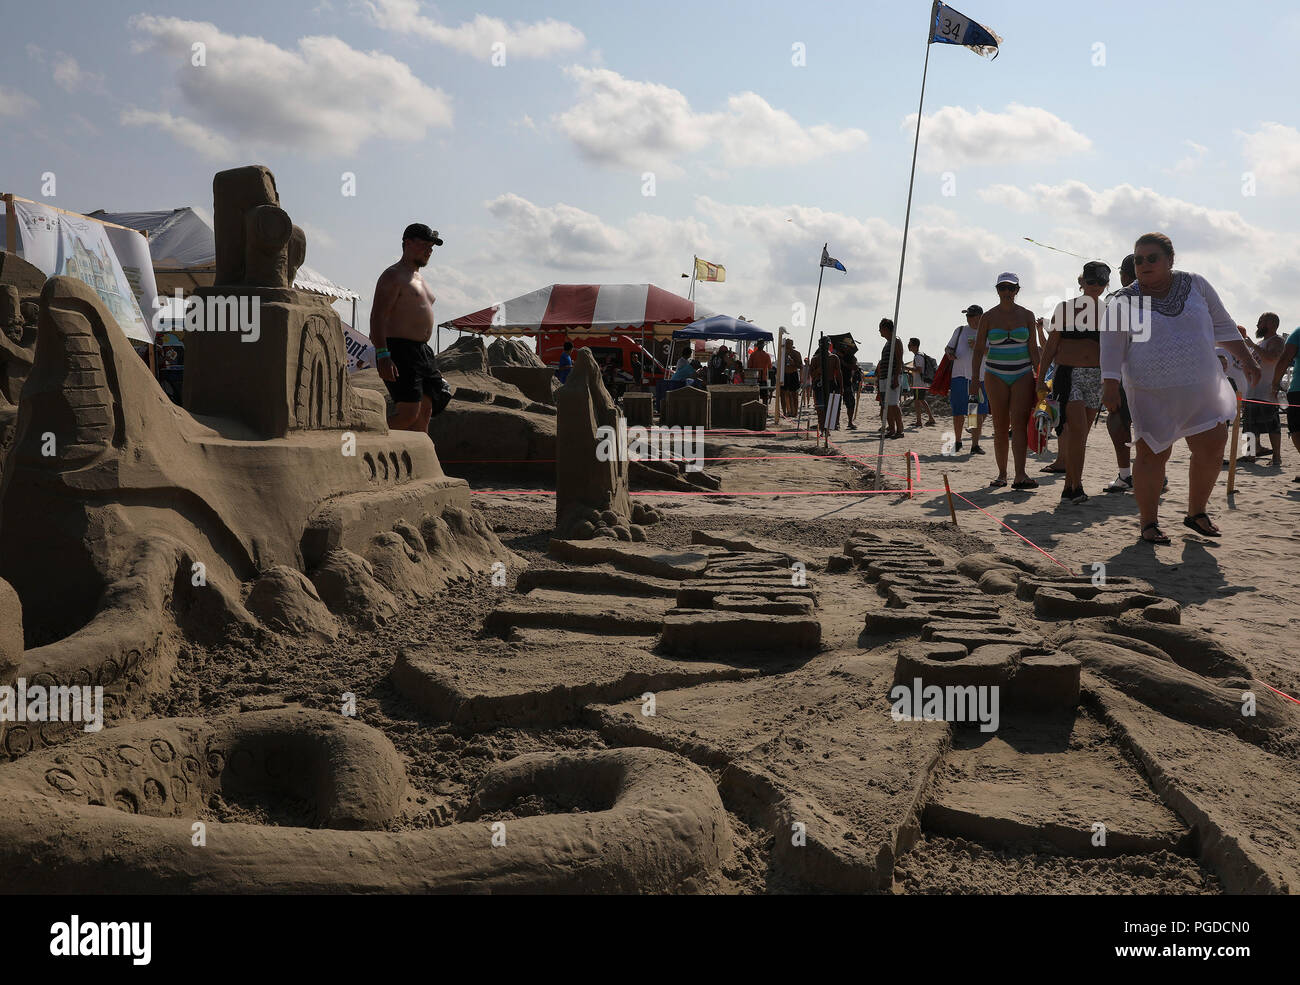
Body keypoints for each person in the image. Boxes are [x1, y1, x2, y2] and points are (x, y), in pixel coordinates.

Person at [1101, 232, 1260, 544]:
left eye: (1152, 258)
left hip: (1201, 387)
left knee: (1214, 442)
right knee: (1151, 453)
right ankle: (1149, 523)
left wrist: (1248, 359)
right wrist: (1109, 384)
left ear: (1170, 260)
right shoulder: (1123, 300)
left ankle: (1196, 513)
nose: (1143, 264)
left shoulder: (1196, 285)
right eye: (1138, 260)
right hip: (1150, 391)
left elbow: (1223, 325)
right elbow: (1111, 346)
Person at [1038, 260, 1109, 503]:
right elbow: (1050, 346)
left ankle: (1070, 486)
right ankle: (1076, 486)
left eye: (1102, 282)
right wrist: (1040, 377)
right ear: (1082, 282)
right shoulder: (1065, 308)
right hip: (1068, 375)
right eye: (1092, 281)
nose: (1096, 286)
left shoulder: (1108, 312)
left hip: (1096, 377)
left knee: (1081, 436)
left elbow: (1115, 350)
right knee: (1076, 431)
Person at [371, 222, 450, 435]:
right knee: (408, 413)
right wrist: (383, 354)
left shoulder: (420, 278)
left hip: (422, 352)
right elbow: (377, 317)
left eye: (432, 247)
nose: (429, 251)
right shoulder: (393, 275)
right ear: (407, 243)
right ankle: (366, 442)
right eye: (424, 245)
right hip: (399, 350)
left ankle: (415, 466)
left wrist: (428, 361)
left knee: (425, 412)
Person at [971, 273, 1040, 488]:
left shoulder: (1027, 315)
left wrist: (1040, 376)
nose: (1007, 292)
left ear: (1017, 290)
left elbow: (1033, 349)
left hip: (1022, 373)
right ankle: (1002, 474)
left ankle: (1020, 474)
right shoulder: (989, 317)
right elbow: (979, 349)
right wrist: (974, 379)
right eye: (1003, 288)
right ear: (997, 290)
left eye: (1011, 288)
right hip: (995, 374)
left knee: (1019, 425)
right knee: (1000, 427)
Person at [1102, 254, 1139, 492]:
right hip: (1156, 372)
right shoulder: (1164, 297)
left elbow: (1108, 340)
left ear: (1124, 275)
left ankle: (1126, 475)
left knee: (1117, 420)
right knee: (1152, 427)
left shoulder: (1118, 299)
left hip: (1129, 373)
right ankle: (1155, 472)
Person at [1238, 314, 1285, 468]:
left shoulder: (1277, 341)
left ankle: (1277, 457)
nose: (1257, 325)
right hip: (1252, 391)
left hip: (1267, 391)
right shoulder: (1260, 342)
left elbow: (1272, 358)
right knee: (1249, 425)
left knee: (1272, 425)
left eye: (1260, 322)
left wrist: (1253, 346)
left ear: (1271, 324)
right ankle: (1249, 455)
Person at [945, 306, 988, 455]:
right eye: (968, 316)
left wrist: (978, 347)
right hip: (959, 376)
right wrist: (950, 353)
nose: (969, 319)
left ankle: (975, 445)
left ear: (981, 317)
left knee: (975, 413)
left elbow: (992, 352)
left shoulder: (986, 332)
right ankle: (958, 441)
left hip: (978, 377)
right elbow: (949, 347)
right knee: (958, 411)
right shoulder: (960, 330)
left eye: (972, 316)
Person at [1272, 325, 1300, 482]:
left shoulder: (1298, 332)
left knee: (1296, 430)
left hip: (1299, 390)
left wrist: (1275, 384)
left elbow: (1284, 359)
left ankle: (1273, 456)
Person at [876, 319, 905, 439]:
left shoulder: (896, 341)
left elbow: (899, 360)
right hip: (884, 377)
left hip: (892, 376)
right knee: (886, 405)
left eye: (880, 328)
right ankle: (892, 429)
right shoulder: (888, 343)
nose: (879, 331)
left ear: (886, 328)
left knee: (893, 404)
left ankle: (900, 430)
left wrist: (896, 378)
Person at [808, 336, 842, 433]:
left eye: (827, 344)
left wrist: (841, 387)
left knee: (831, 407)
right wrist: (819, 369)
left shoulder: (834, 358)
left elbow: (839, 374)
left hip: (831, 384)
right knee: (820, 408)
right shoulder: (815, 359)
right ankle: (822, 428)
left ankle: (828, 429)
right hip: (819, 385)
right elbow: (812, 375)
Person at [908, 337, 937, 427]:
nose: (908, 346)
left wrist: (905, 368)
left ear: (915, 346)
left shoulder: (918, 356)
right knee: (920, 400)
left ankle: (922, 420)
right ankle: (924, 419)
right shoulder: (920, 355)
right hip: (920, 382)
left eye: (910, 344)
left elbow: (919, 370)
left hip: (919, 383)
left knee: (918, 401)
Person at [749, 340, 773, 408]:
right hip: (763, 378)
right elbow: (770, 367)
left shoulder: (753, 355)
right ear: (763, 346)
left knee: (755, 396)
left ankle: (756, 409)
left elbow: (749, 366)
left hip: (755, 379)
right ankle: (765, 411)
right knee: (764, 397)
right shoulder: (766, 355)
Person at [782, 342, 803, 417]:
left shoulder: (796, 353)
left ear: (792, 345)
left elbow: (800, 366)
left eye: (789, 344)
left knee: (794, 394)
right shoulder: (782, 353)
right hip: (784, 374)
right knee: (784, 394)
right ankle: (786, 412)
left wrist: (793, 363)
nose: (788, 346)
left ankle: (795, 412)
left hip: (793, 373)